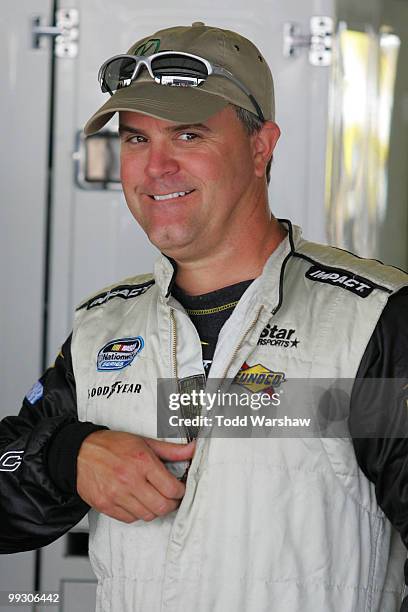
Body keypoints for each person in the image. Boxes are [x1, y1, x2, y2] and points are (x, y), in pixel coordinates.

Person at [1, 21, 408, 612]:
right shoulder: (103, 331)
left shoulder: (370, 321)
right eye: (136, 140)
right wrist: (69, 455)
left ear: (261, 145)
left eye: (187, 136)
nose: (155, 167)